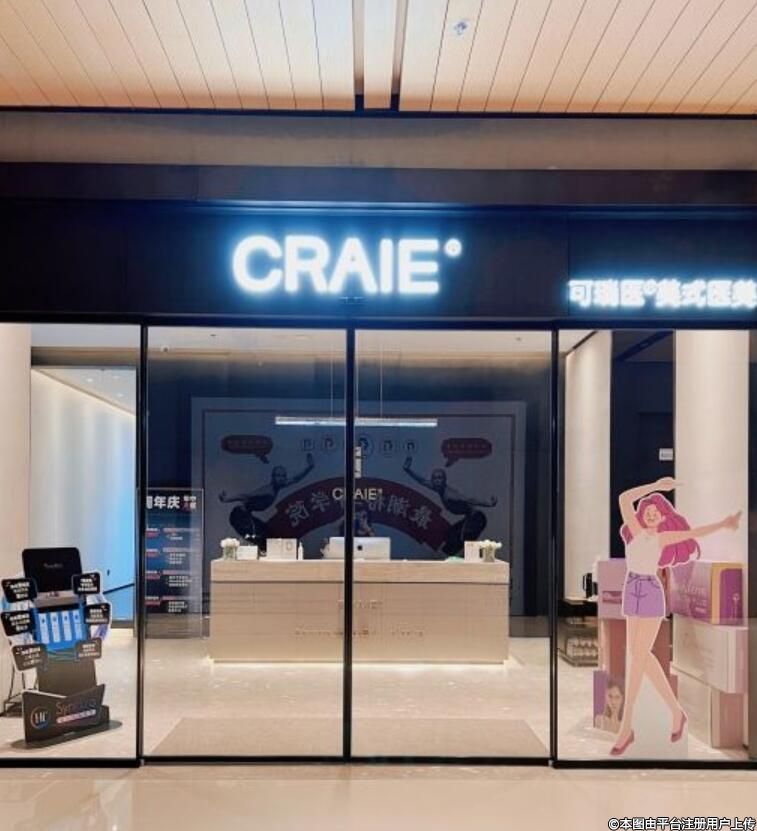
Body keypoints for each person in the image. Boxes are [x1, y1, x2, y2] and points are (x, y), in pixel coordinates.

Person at [610, 476, 741, 756]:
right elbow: (624, 498)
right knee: (638, 655)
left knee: (638, 658)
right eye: (648, 509)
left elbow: (696, 532)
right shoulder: (635, 529)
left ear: (663, 518)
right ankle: (676, 711)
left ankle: (627, 724)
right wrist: (656, 486)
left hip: (650, 590)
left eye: (657, 511)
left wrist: (723, 524)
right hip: (631, 589)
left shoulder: (662, 538)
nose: (651, 513)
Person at [218, 453, 315, 551]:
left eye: (284, 476)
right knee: (263, 538)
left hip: (246, 515)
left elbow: (295, 479)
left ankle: (266, 553)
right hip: (239, 517)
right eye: (278, 475)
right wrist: (226, 499)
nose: (281, 478)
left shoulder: (278, 487)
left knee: (269, 534)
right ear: (273, 477)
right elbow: (244, 496)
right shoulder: (268, 490)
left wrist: (309, 468)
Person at [402, 457, 497, 556]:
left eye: (440, 478)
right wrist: (408, 470)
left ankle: (473, 557)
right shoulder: (438, 488)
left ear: (444, 480)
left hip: (477, 519)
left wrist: (489, 504)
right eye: (435, 478)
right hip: (469, 518)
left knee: (460, 541)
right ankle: (458, 557)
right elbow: (422, 481)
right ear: (432, 480)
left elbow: (471, 499)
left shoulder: (450, 495)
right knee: (449, 535)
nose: (437, 481)